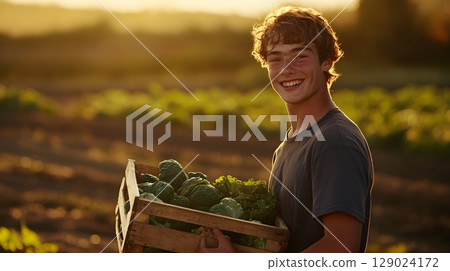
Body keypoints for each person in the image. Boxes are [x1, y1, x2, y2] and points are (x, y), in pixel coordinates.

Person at [199, 6, 374, 253]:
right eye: (275, 58)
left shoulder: (335, 142)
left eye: (300, 55)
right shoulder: (292, 141)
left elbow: (341, 249)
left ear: (327, 61)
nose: (286, 69)